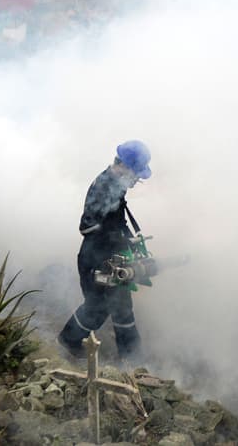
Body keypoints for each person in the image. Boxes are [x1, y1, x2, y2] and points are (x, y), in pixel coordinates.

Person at [57, 139, 152, 361]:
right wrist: (116, 240)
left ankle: (130, 359)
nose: (137, 180)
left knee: (112, 309)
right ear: (124, 167)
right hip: (96, 260)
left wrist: (128, 237)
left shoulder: (116, 187)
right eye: (136, 174)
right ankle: (132, 361)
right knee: (97, 309)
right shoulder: (103, 187)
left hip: (108, 258)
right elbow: (87, 226)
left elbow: (116, 221)